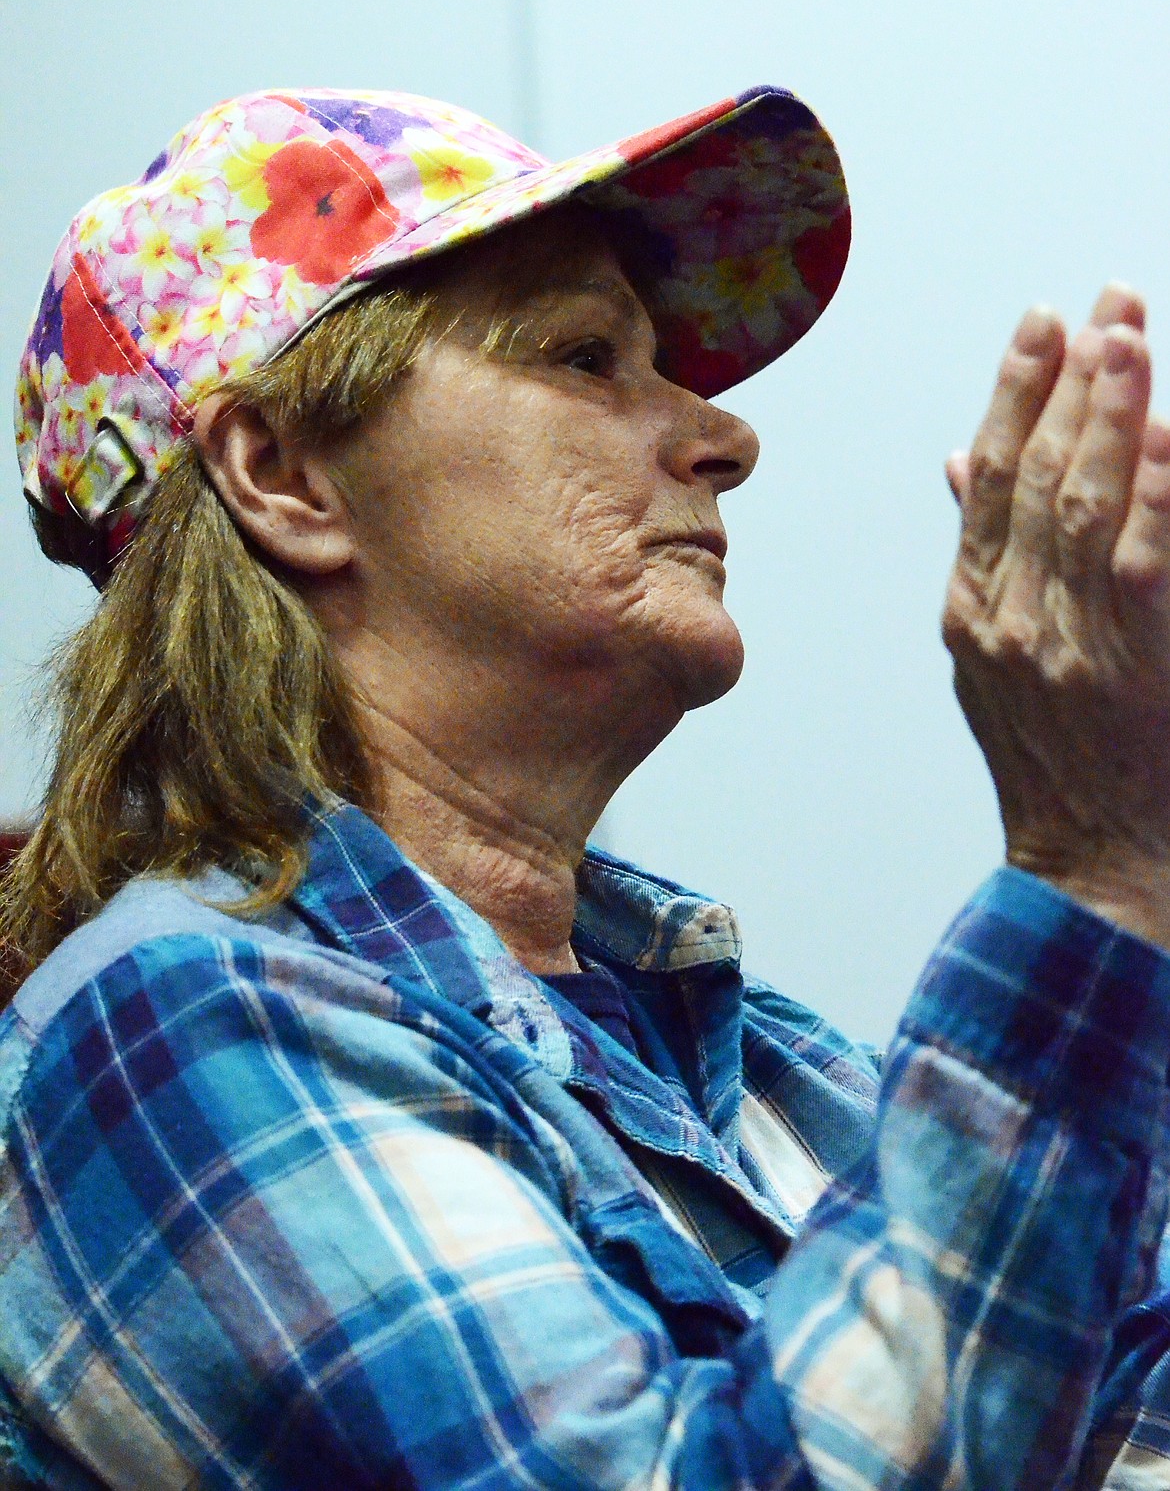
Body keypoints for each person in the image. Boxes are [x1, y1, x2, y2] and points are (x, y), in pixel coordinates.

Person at [0, 83, 1168, 1491]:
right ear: (283, 473)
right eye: (582, 353)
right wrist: (1090, 868)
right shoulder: (183, 1021)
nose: (723, 437)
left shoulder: (765, 1060)